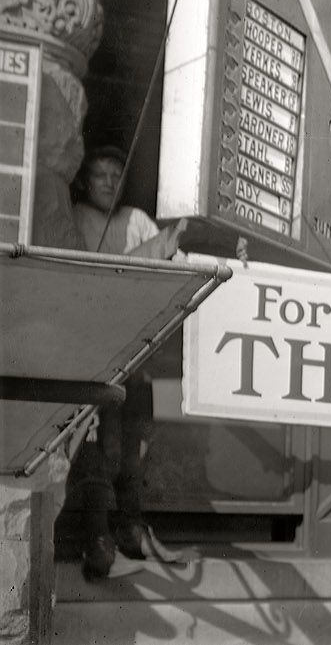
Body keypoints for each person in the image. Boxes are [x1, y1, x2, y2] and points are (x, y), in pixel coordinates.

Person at [66, 145, 188, 580]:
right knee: (101, 450)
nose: (108, 181)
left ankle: (131, 530)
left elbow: (171, 262)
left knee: (136, 448)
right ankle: (97, 539)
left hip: (137, 354)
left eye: (115, 174)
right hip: (93, 357)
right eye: (99, 173)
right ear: (85, 180)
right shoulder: (75, 215)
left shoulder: (137, 220)